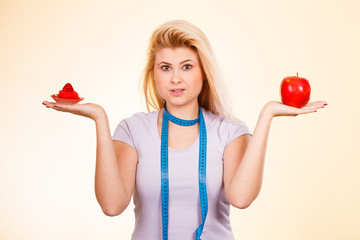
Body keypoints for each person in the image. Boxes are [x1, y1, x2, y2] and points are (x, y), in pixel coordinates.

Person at [42, 19, 327, 240]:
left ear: (204, 72)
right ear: (153, 74)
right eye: (165, 68)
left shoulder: (229, 132)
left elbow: (241, 198)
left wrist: (267, 115)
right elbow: (112, 205)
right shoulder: (132, 130)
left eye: (187, 66)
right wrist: (99, 118)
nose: (176, 79)